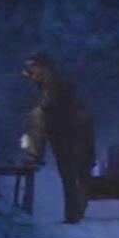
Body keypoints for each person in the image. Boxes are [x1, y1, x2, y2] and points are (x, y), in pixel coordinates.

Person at [21, 54, 96, 224]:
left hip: (68, 131)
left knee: (34, 116)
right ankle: (74, 213)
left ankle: (33, 154)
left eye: (32, 67)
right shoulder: (54, 79)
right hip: (70, 130)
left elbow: (48, 106)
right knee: (73, 174)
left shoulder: (52, 81)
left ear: (42, 66)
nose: (30, 71)